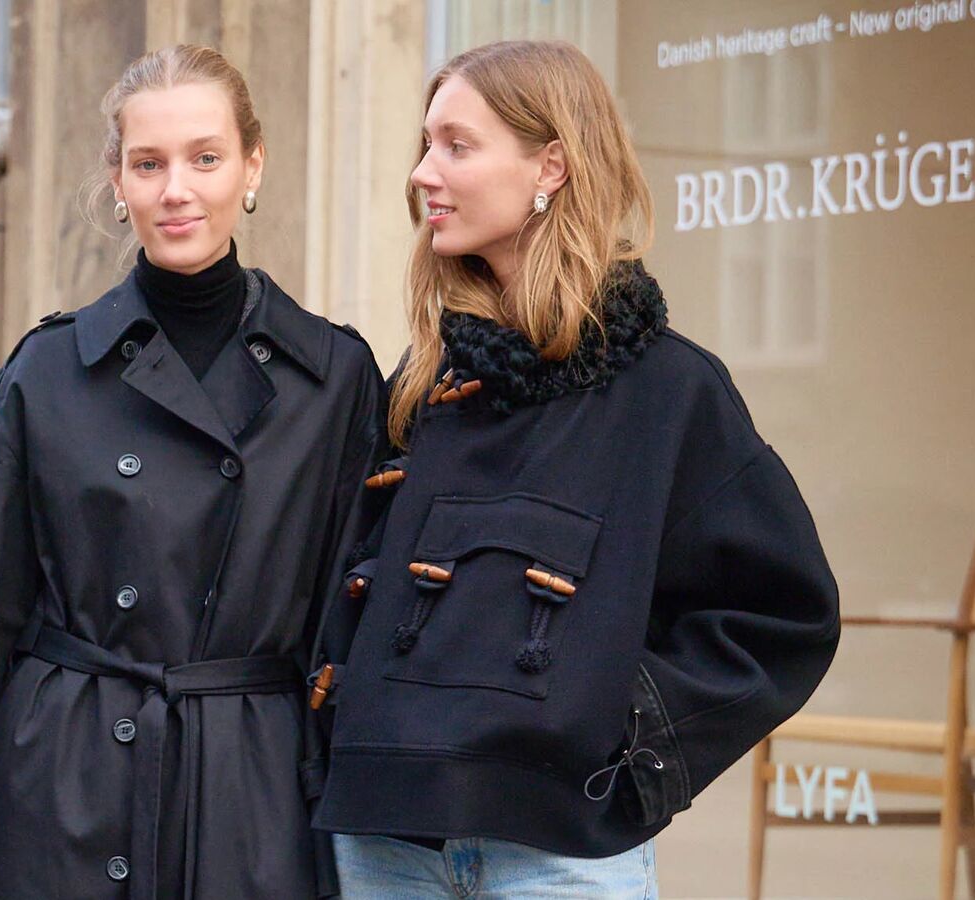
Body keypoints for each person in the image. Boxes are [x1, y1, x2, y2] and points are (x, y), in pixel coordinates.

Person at [0, 44, 385, 899]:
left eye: (205, 158)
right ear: (118, 181)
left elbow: (350, 626)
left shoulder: (334, 378)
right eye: (149, 163)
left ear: (253, 165)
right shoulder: (51, 371)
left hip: (249, 798)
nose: (178, 189)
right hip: (59, 789)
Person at [307, 40, 841, 898]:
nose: (422, 173)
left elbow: (783, 614)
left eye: (456, 145)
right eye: (423, 144)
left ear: (550, 162)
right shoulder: (420, 382)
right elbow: (343, 592)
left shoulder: (668, 389)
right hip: (383, 845)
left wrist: (616, 736)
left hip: (561, 859)